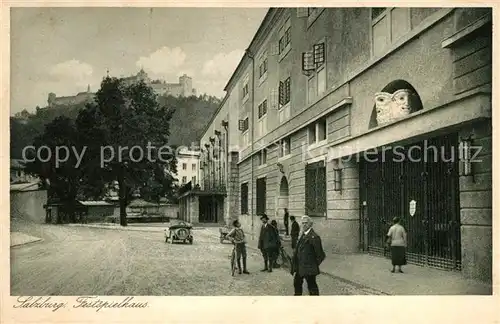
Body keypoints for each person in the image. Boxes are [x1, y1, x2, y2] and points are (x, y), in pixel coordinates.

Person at [290, 216, 325, 296]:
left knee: (312, 286)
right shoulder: (302, 235)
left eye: (306, 223)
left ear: (310, 224)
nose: (304, 225)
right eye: (303, 223)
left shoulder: (314, 237)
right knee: (297, 283)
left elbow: (321, 255)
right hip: (300, 267)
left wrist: (312, 265)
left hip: (309, 268)